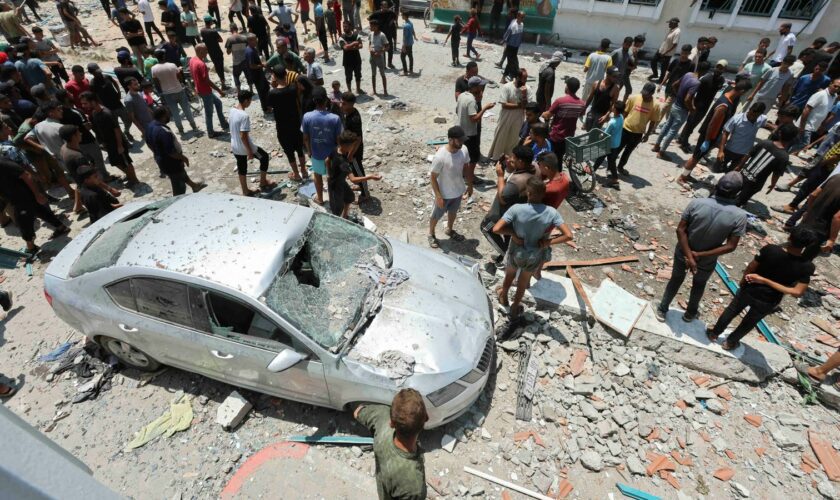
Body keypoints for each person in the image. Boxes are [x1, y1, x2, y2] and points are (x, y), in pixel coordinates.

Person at [655, 171, 747, 322]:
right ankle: (690, 314)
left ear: (717, 186)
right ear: (738, 193)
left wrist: (689, 256)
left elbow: (680, 230)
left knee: (676, 279)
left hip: (683, 252)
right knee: (699, 284)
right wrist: (699, 256)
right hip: (707, 259)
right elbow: (731, 246)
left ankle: (662, 309)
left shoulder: (697, 203)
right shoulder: (739, 216)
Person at [708, 226, 817, 351]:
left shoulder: (770, 250)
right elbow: (797, 292)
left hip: (750, 288)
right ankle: (730, 342)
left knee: (732, 310)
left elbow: (751, 267)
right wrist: (769, 283)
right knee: (750, 321)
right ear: (807, 245)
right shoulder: (807, 267)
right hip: (770, 299)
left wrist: (746, 281)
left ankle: (714, 333)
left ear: (789, 237)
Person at [493, 176, 573, 317]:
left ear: (528, 193)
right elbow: (568, 236)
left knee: (509, 276)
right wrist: (548, 242)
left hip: (516, 251)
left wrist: (513, 234)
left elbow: (496, 229)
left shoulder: (516, 209)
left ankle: (504, 297)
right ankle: (515, 307)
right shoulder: (551, 212)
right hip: (534, 254)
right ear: (543, 195)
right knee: (522, 283)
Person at [353, 389, 427, 500]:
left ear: (391, 423)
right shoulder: (414, 485)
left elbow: (357, 412)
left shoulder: (382, 418)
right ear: (426, 418)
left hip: (384, 487)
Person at [677, 80, 752, 186]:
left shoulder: (727, 97)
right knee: (695, 157)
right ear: (742, 91)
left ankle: (687, 175)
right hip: (708, 135)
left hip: (712, 135)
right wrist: (707, 140)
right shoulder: (724, 106)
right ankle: (682, 177)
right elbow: (712, 124)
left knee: (697, 157)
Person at [0, 158, 69, 254]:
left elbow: (26, 175)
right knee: (40, 211)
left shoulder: (3, 163)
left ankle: (31, 247)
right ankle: (61, 227)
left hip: (22, 196)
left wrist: (37, 194)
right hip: (15, 197)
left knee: (22, 221)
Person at [480, 145, 535, 260]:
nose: (510, 160)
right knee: (508, 237)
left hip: (503, 215)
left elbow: (502, 199)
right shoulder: (532, 168)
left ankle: (506, 257)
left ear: (520, 161)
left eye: (513, 159)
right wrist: (509, 162)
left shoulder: (516, 183)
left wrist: (500, 176)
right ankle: (507, 254)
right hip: (517, 216)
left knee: (485, 227)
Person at [79, 92, 140, 186]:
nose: (83, 106)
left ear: (93, 102)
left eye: (85, 103)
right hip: (109, 143)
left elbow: (117, 130)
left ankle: (134, 180)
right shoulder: (94, 113)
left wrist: (120, 145)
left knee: (125, 162)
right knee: (116, 162)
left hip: (117, 143)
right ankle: (129, 175)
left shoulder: (106, 113)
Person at [731, 123, 797, 208]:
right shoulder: (784, 157)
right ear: (793, 139)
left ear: (779, 133)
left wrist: (739, 166)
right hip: (756, 183)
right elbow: (776, 174)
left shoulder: (765, 142)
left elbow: (748, 154)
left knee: (732, 191)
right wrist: (773, 184)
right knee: (740, 200)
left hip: (744, 174)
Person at [145, 106, 206, 195]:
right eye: (168, 114)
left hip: (162, 159)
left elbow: (148, 143)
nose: (169, 116)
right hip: (171, 162)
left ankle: (194, 186)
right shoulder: (163, 132)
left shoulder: (150, 126)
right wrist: (183, 158)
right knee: (179, 185)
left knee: (181, 173)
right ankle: (178, 202)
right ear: (163, 116)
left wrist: (157, 152)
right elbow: (171, 152)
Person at [654, 61, 706, 157]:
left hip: (675, 105)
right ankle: (661, 152)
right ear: (705, 72)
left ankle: (656, 146)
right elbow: (687, 99)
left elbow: (674, 85)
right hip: (682, 110)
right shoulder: (697, 83)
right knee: (672, 131)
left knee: (666, 126)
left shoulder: (688, 74)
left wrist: (678, 95)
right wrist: (692, 109)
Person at [428, 125, 469, 248]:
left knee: (453, 212)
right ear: (451, 139)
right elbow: (433, 177)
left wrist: (469, 184)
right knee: (436, 215)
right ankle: (431, 233)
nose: (462, 143)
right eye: (459, 140)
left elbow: (466, 166)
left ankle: (449, 230)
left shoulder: (464, 150)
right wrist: (438, 196)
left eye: (463, 140)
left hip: (457, 191)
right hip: (444, 193)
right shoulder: (440, 156)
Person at [229, 90, 275, 196]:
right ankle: (263, 182)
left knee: (242, 167)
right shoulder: (244, 116)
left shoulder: (232, 110)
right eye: (250, 101)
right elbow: (243, 136)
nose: (250, 103)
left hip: (234, 146)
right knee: (264, 157)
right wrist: (249, 151)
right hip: (244, 147)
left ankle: (245, 190)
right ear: (246, 101)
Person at [302, 87, 342, 205]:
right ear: (326, 100)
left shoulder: (307, 117)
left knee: (318, 176)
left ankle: (320, 198)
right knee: (332, 178)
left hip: (316, 154)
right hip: (331, 155)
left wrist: (309, 151)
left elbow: (305, 138)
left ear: (314, 100)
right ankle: (334, 200)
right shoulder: (335, 118)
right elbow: (338, 139)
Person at [457, 76, 495, 200]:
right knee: (472, 158)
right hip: (470, 133)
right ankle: (470, 178)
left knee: (463, 155)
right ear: (474, 87)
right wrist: (485, 108)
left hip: (462, 130)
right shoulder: (472, 101)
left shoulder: (462, 95)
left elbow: (457, 110)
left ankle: (464, 174)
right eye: (480, 86)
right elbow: (474, 119)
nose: (481, 88)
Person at [326, 130, 379, 217]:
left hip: (341, 181)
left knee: (350, 197)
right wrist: (370, 177)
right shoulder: (343, 162)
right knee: (337, 209)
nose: (353, 147)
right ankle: (338, 220)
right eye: (353, 145)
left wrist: (328, 173)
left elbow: (327, 160)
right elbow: (353, 179)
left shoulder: (335, 149)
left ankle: (345, 215)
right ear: (347, 145)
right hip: (335, 186)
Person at [267, 66, 307, 181]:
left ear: (274, 76)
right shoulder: (293, 88)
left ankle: (296, 174)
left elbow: (269, 107)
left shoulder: (272, 93)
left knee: (289, 152)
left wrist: (273, 86)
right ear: (286, 75)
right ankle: (304, 171)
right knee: (299, 149)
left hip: (282, 127)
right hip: (295, 124)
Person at [613, 82, 660, 177]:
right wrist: (618, 125)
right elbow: (625, 113)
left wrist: (647, 135)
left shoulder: (655, 105)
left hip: (638, 133)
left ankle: (620, 167)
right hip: (625, 129)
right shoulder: (633, 98)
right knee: (616, 149)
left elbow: (653, 122)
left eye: (646, 94)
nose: (643, 95)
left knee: (628, 152)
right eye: (643, 92)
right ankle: (611, 167)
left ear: (652, 93)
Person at [713, 102, 768, 173]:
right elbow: (725, 133)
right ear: (749, 109)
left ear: (760, 114)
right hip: (729, 150)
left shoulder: (762, 119)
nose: (752, 117)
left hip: (744, 154)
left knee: (731, 172)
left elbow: (764, 124)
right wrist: (720, 151)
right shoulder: (736, 119)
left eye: (755, 116)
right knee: (717, 169)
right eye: (751, 114)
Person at [488, 68, 531, 161]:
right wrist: (518, 106)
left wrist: (524, 95)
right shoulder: (507, 87)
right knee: (501, 136)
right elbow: (504, 104)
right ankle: (496, 156)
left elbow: (527, 106)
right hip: (505, 116)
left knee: (514, 138)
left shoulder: (527, 89)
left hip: (518, 118)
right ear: (517, 77)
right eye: (523, 78)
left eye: (526, 79)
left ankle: (510, 157)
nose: (525, 81)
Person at [151, 51, 198, 133]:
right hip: (179, 90)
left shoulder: (154, 69)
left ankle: (181, 129)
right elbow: (179, 77)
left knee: (175, 112)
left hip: (167, 93)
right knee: (186, 109)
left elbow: (156, 82)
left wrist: (161, 91)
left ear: (156, 57)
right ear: (164, 56)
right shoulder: (172, 65)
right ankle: (193, 126)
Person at [190, 44, 229, 138]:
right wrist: (219, 90)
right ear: (199, 51)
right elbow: (207, 81)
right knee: (209, 113)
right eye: (205, 50)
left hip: (201, 89)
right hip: (205, 91)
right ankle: (211, 132)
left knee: (218, 103)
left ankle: (224, 124)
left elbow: (193, 74)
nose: (207, 52)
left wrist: (195, 87)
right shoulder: (201, 64)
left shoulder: (192, 60)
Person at [87, 63, 133, 140]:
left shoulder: (107, 77)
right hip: (108, 108)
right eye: (96, 72)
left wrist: (118, 92)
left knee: (128, 119)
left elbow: (115, 82)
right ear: (92, 73)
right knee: (116, 126)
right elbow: (95, 96)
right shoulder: (93, 84)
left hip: (118, 103)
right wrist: (102, 106)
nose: (99, 73)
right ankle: (124, 140)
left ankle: (126, 131)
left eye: (99, 71)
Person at [542, 77, 585, 159]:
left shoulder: (560, 101)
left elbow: (547, 115)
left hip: (556, 136)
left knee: (550, 157)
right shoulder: (582, 104)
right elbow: (581, 114)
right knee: (559, 157)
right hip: (569, 136)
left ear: (567, 87)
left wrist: (543, 113)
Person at [795, 77, 840, 153]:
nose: (836, 88)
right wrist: (802, 126)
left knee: (795, 142)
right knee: (804, 143)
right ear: (830, 84)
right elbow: (807, 109)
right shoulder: (821, 94)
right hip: (806, 125)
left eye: (839, 88)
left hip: (813, 127)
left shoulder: (834, 97)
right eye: (835, 86)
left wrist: (820, 125)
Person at [340, 91, 369, 199]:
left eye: (344, 104)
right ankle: (360, 186)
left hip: (355, 150)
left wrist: (351, 154)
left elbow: (358, 139)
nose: (341, 105)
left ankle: (365, 194)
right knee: (355, 170)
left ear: (351, 104)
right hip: (350, 149)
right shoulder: (349, 112)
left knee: (359, 171)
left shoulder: (354, 119)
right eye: (341, 102)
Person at [591, 100, 624, 188]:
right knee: (609, 160)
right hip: (616, 143)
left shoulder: (612, 123)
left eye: (613, 107)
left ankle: (614, 178)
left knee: (604, 158)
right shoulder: (621, 117)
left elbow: (604, 134)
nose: (612, 107)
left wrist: (598, 136)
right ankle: (594, 171)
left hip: (609, 144)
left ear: (615, 110)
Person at [583, 66, 620, 131]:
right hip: (592, 111)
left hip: (602, 114)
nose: (616, 78)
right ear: (608, 75)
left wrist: (606, 115)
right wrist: (584, 108)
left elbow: (613, 104)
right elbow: (590, 97)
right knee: (587, 129)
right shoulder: (596, 83)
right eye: (614, 76)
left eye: (617, 76)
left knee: (594, 133)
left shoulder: (615, 89)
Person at [649, 17, 680, 83]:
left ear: (674, 23)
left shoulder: (677, 32)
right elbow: (666, 41)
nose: (669, 25)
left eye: (670, 23)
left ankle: (661, 80)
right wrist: (660, 49)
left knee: (663, 68)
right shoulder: (671, 29)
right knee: (653, 61)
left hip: (667, 54)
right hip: (661, 50)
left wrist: (666, 52)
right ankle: (655, 74)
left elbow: (675, 45)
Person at [582, 38, 613, 102]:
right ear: (608, 48)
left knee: (583, 100)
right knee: (594, 101)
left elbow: (585, 69)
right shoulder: (608, 58)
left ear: (600, 45)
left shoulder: (591, 55)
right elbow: (609, 71)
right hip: (598, 84)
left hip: (589, 81)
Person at [200, 15, 227, 89]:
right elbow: (221, 40)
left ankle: (222, 82)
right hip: (217, 51)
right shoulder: (213, 31)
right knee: (220, 67)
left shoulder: (202, 30)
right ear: (211, 22)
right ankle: (223, 84)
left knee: (217, 67)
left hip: (210, 52)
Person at [116, 9, 147, 74]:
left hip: (141, 41)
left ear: (127, 14)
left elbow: (142, 33)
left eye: (122, 15)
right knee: (138, 58)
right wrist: (136, 34)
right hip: (133, 43)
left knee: (146, 56)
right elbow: (126, 36)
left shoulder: (136, 21)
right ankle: (142, 72)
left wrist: (131, 34)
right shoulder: (122, 24)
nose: (122, 16)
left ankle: (149, 70)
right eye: (121, 15)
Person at [499, 11, 524, 83]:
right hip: (510, 47)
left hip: (516, 47)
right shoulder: (513, 25)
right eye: (521, 17)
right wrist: (503, 41)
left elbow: (521, 35)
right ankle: (515, 79)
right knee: (514, 63)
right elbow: (507, 34)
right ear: (518, 16)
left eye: (523, 17)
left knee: (510, 63)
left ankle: (505, 78)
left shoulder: (522, 24)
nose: (522, 19)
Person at [226, 24, 250, 93]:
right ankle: (251, 89)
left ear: (231, 30)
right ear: (237, 29)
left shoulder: (230, 39)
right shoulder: (244, 37)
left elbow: (228, 52)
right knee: (248, 75)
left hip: (236, 61)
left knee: (236, 76)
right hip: (245, 60)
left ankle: (239, 92)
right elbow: (247, 48)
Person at [368, 20, 389, 95]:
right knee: (373, 74)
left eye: (371, 26)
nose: (370, 27)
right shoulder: (370, 34)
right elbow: (370, 44)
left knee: (382, 74)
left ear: (376, 26)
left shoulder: (382, 35)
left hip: (379, 57)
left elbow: (387, 46)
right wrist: (370, 49)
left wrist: (380, 52)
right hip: (372, 57)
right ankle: (374, 90)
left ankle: (385, 90)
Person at [400, 10, 417, 75]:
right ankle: (411, 70)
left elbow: (404, 37)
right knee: (410, 56)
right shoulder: (410, 23)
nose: (401, 16)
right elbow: (413, 31)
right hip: (410, 43)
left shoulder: (405, 26)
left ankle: (405, 71)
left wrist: (403, 46)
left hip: (406, 44)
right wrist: (415, 37)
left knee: (402, 57)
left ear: (405, 16)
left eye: (402, 15)